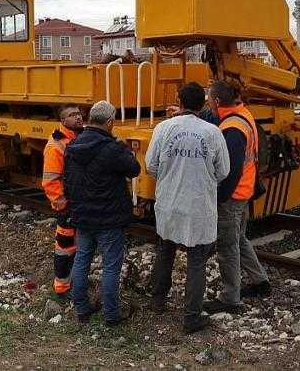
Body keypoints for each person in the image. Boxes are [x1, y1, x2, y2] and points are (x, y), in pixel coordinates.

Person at [146, 82, 230, 334]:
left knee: (165, 251)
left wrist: (170, 174)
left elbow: (151, 166)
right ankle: (192, 317)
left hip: (169, 203)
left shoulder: (164, 128)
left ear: (178, 101)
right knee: (196, 261)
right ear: (202, 104)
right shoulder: (213, 133)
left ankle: (158, 301)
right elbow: (223, 171)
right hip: (198, 207)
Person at [63, 100, 141, 325]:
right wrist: (124, 147)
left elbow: (68, 181)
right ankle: (112, 316)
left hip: (83, 216)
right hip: (109, 219)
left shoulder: (73, 146)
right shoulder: (112, 148)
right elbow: (134, 169)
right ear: (110, 122)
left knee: (81, 260)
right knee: (110, 268)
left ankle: (82, 309)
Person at [201, 80, 271, 315]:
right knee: (239, 239)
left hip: (232, 196)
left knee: (227, 246)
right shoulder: (242, 115)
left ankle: (231, 298)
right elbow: (214, 118)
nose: (208, 103)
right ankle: (260, 281)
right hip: (245, 191)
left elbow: (230, 172)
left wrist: (219, 198)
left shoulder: (231, 130)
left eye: (209, 99)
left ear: (218, 101)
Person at [41, 105, 83, 300]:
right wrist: (62, 205)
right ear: (63, 121)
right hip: (67, 206)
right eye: (72, 115)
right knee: (65, 247)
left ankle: (71, 281)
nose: (78, 117)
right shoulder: (56, 145)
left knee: (74, 245)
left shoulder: (76, 138)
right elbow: (50, 180)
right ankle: (61, 287)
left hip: (75, 203)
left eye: (79, 114)